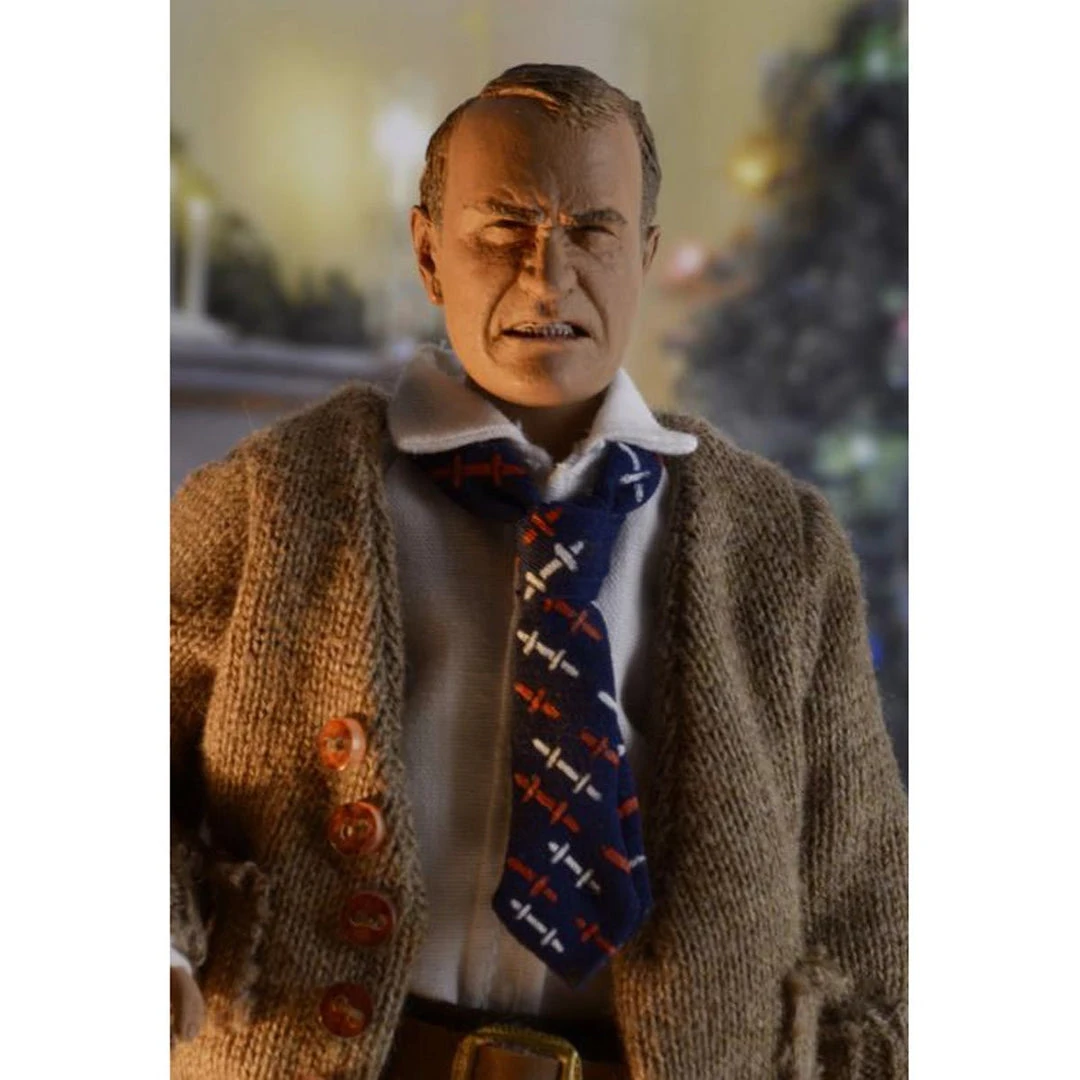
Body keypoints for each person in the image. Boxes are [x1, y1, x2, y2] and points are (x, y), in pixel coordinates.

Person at [170, 63, 907, 1080]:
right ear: (429, 253)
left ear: (644, 254)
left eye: (592, 232)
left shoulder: (780, 547)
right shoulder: (272, 501)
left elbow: (862, 893)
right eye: (502, 229)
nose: (548, 277)